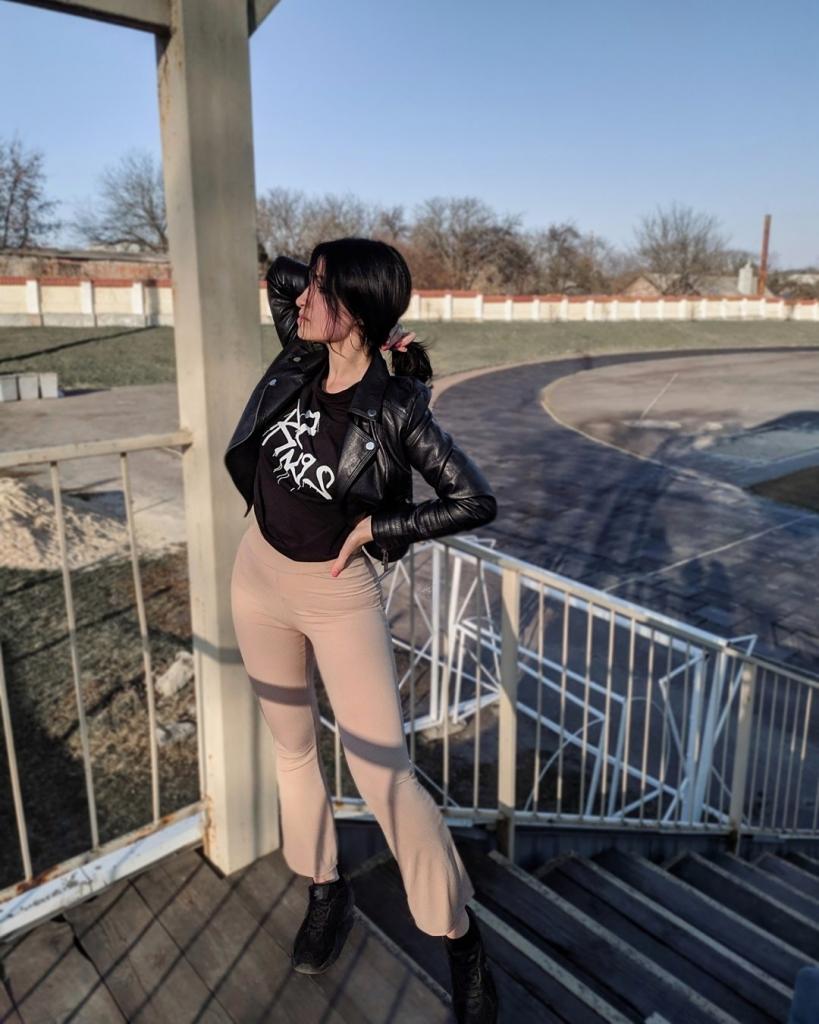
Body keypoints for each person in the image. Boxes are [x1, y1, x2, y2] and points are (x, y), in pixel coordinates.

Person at [224, 237, 499, 1022]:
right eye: (309, 286)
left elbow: (473, 500)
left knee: (384, 775)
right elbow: (283, 279)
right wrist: (327, 279)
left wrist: (380, 525)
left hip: (335, 594)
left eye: (320, 290)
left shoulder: (396, 408)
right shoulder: (300, 353)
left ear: (356, 310)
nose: (300, 299)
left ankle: (460, 939)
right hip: (257, 578)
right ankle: (325, 888)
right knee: (292, 750)